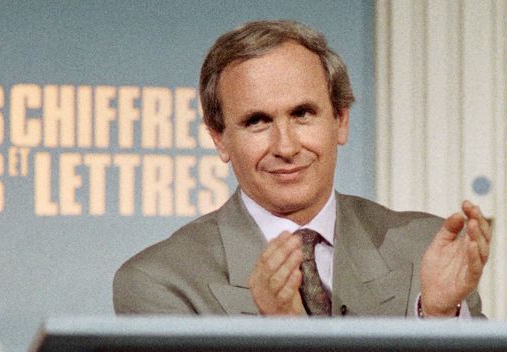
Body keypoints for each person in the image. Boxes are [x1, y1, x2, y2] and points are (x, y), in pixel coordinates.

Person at [113, 20, 491, 317]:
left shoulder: (420, 247)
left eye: (303, 114)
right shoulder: (160, 282)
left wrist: (438, 316)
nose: (286, 146)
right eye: (257, 121)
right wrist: (279, 335)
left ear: (340, 120)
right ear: (219, 139)